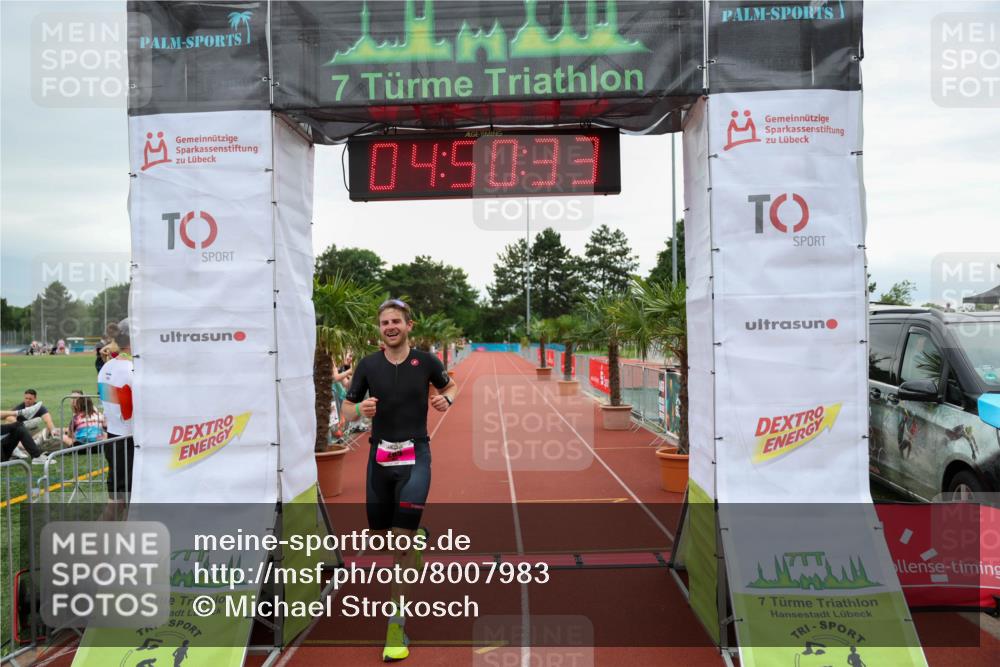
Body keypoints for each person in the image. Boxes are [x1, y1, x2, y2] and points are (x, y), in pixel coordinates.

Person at [341, 299, 456, 662]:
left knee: (399, 545)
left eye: (396, 321)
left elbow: (451, 387)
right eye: (384, 322)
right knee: (381, 536)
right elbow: (346, 408)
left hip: (415, 455)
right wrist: (359, 410)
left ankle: (396, 623)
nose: (389, 326)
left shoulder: (427, 362)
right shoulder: (368, 365)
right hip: (379, 457)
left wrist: (446, 402)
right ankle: (418, 536)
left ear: (409, 325)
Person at [98, 318, 135, 505]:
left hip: (112, 437)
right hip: (128, 442)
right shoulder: (131, 370)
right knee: (123, 504)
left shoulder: (106, 366)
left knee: (115, 502)